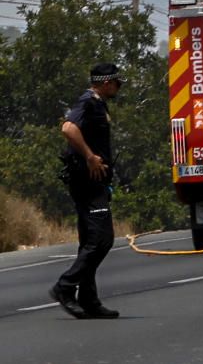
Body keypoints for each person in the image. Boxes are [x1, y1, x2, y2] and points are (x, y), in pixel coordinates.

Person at [49, 63, 125, 319]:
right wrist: (91, 156)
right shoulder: (89, 102)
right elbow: (68, 128)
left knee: (89, 241)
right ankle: (65, 286)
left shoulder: (98, 103)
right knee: (102, 239)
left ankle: (89, 299)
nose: (118, 87)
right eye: (116, 82)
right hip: (87, 181)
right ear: (105, 82)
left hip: (93, 181)